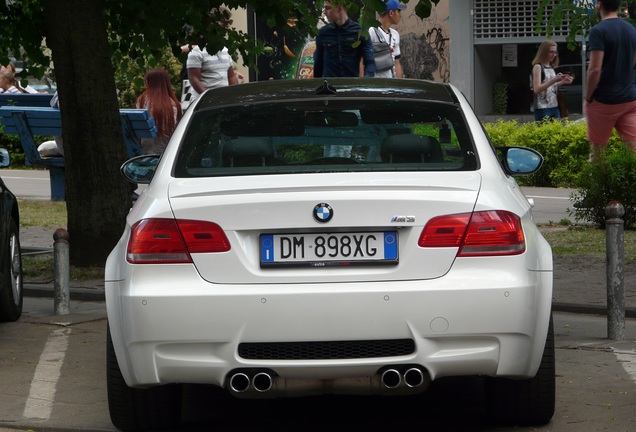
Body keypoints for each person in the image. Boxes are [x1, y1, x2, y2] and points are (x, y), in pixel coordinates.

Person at [585, 0, 636, 161]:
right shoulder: (631, 30)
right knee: (633, 149)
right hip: (629, 98)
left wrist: (588, 96)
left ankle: (598, 185)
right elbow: (633, 60)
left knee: (598, 152)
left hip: (604, 100)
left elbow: (594, 69)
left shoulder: (598, 31)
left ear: (599, 5)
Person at [185, 6, 241, 106]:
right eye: (225, 23)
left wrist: (235, 96)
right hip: (202, 105)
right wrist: (209, 98)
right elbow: (194, 79)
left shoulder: (225, 50)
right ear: (212, 25)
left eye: (230, 23)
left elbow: (231, 76)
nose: (228, 26)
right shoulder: (197, 52)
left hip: (222, 103)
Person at [314, 0, 375, 78]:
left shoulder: (360, 32)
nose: (324, 12)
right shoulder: (322, 33)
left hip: (351, 86)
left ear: (339, 8)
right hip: (329, 86)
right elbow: (318, 64)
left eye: (327, 8)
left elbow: (370, 62)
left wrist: (367, 82)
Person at [135, 67, 183, 155]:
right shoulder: (174, 104)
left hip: (145, 152)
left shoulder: (142, 100)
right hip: (168, 153)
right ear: (166, 83)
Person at [531, 40, 573, 122]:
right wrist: (554, 80)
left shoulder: (551, 67)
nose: (554, 55)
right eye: (551, 52)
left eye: (555, 52)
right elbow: (537, 89)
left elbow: (551, 87)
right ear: (544, 52)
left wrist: (562, 82)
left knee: (556, 131)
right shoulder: (538, 67)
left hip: (554, 106)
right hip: (542, 107)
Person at [368, 0, 406, 78]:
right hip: (375, 84)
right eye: (398, 11)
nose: (400, 15)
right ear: (391, 13)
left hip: (391, 84)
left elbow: (397, 62)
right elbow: (362, 61)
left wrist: (400, 84)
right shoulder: (372, 31)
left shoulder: (395, 34)